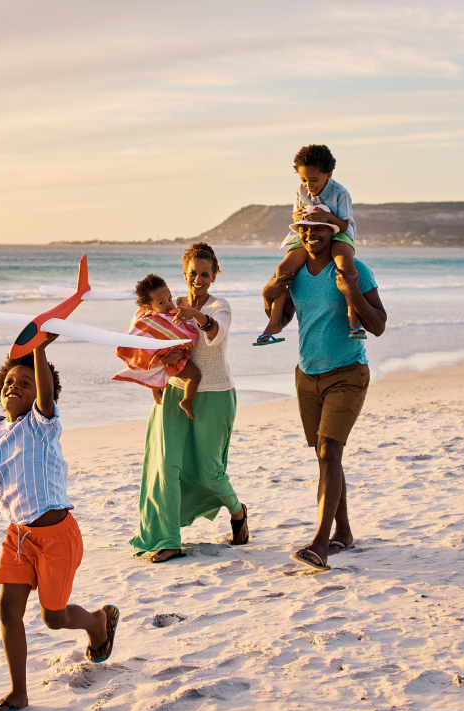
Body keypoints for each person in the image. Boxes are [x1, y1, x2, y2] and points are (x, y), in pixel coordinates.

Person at [0, 339, 119, 711]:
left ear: (41, 393)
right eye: (9, 380)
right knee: (8, 611)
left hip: (57, 537)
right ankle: (18, 693)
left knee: (53, 618)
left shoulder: (41, 425)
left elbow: (45, 394)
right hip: (18, 537)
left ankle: (98, 622)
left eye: (26, 382)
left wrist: (38, 350)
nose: (14, 385)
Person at [262, 220, 387, 571]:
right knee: (325, 456)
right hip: (307, 376)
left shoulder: (354, 268)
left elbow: (378, 324)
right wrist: (268, 293)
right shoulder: (298, 270)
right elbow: (283, 318)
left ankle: (321, 543)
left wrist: (353, 294)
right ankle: (343, 533)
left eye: (318, 227)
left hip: (348, 373)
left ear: (334, 231)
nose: (310, 234)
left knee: (330, 452)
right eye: (304, 229)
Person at [129, 243, 249, 564]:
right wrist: (159, 356)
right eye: (193, 273)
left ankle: (238, 513)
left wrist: (195, 314)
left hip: (215, 394)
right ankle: (168, 540)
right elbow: (144, 328)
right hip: (173, 392)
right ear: (184, 273)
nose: (198, 278)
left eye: (205, 274)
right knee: (167, 467)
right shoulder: (168, 304)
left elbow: (215, 330)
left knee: (210, 472)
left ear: (214, 275)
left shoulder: (220, 306)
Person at [257, 144, 365, 344]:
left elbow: (343, 225)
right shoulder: (300, 190)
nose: (308, 185)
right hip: (308, 233)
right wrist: (297, 216)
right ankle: (274, 323)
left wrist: (327, 216)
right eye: (304, 179)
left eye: (313, 180)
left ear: (328, 174)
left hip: (338, 232)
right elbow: (296, 215)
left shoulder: (341, 193)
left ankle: (354, 319)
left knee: (345, 264)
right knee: (283, 270)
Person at [112, 273, 202, 419]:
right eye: (161, 302)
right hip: (165, 360)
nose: (168, 304)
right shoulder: (147, 322)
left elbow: (177, 329)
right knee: (195, 375)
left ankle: (156, 389)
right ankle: (187, 401)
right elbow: (138, 346)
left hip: (174, 356)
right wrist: (162, 358)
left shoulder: (169, 313)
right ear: (149, 306)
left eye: (168, 298)